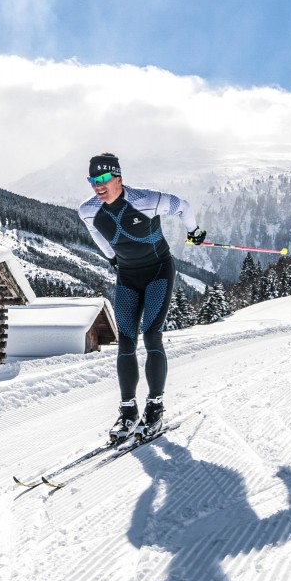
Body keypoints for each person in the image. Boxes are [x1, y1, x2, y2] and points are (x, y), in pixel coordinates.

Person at [78, 152, 206, 442]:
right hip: (127, 276)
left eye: (103, 178)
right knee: (125, 340)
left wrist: (193, 231)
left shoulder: (146, 200)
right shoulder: (88, 210)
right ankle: (127, 412)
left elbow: (183, 207)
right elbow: (94, 232)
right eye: (92, 180)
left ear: (118, 177)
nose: (98, 185)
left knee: (151, 336)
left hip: (158, 270)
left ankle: (155, 408)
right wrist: (111, 257)